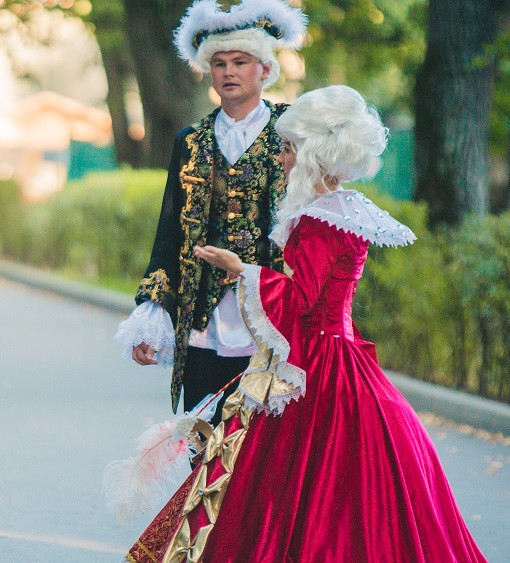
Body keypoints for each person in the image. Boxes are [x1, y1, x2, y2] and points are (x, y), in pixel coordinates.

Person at [125, 85, 486, 562]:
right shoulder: (347, 208)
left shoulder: (319, 218)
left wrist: (242, 270)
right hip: (344, 357)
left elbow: (301, 302)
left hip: (318, 367)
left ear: (315, 152)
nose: (283, 157)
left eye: (290, 148)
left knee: (291, 486)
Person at [115, 0, 308, 423]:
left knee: (262, 455)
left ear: (266, 69)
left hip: (272, 318)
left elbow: (314, 218)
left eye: (241, 61)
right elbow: (169, 234)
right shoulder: (190, 141)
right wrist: (152, 311)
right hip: (202, 321)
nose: (229, 72)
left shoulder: (294, 131)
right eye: (219, 63)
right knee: (202, 447)